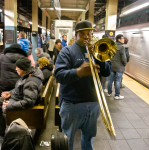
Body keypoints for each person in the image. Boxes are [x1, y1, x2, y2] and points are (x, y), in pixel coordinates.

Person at [54, 20, 111, 150]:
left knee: (89, 137)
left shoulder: (98, 51)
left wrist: (97, 57)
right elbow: (59, 75)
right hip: (72, 104)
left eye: (89, 34)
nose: (87, 37)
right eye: (83, 34)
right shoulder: (67, 51)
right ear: (76, 35)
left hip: (93, 103)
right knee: (67, 138)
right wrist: (78, 72)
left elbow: (107, 72)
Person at [0, 57, 44, 135]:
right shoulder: (28, 75)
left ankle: (4, 134)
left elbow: (28, 102)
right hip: (17, 99)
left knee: (1, 108)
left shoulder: (31, 82)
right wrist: (10, 93)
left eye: (18, 67)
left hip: (19, 105)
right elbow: (20, 89)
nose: (16, 69)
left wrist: (10, 105)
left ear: (23, 69)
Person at [107, 34, 127, 99]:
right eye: (123, 38)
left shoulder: (112, 46)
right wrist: (124, 63)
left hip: (112, 66)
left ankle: (109, 92)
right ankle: (117, 95)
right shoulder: (121, 47)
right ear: (119, 39)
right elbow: (123, 58)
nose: (124, 40)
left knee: (110, 80)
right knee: (118, 81)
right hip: (119, 67)